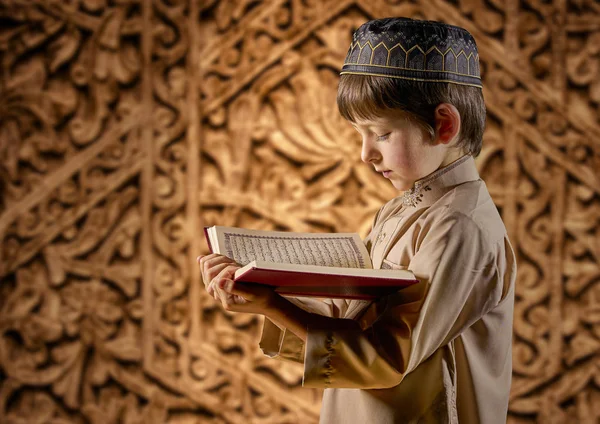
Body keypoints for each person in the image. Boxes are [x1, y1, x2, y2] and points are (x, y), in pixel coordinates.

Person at [198, 17, 516, 424]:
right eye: (359, 135)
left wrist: (275, 306)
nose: (365, 154)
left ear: (444, 125)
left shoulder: (460, 226)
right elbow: (354, 313)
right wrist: (257, 292)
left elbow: (388, 355)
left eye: (380, 134)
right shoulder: (406, 207)